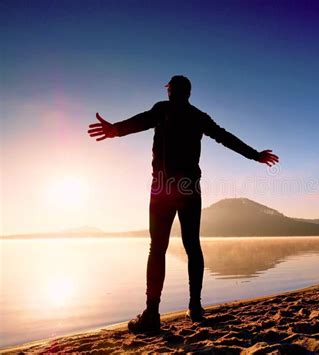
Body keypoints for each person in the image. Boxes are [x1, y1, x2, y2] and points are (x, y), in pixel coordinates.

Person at [87, 75, 279, 333]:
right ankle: (195, 308)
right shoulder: (198, 116)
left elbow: (141, 121)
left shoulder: (163, 109)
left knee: (158, 248)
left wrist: (115, 130)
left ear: (171, 92)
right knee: (191, 246)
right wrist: (254, 155)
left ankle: (153, 313)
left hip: (163, 187)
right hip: (188, 188)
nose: (169, 93)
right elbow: (225, 137)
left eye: (169, 89)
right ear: (188, 93)